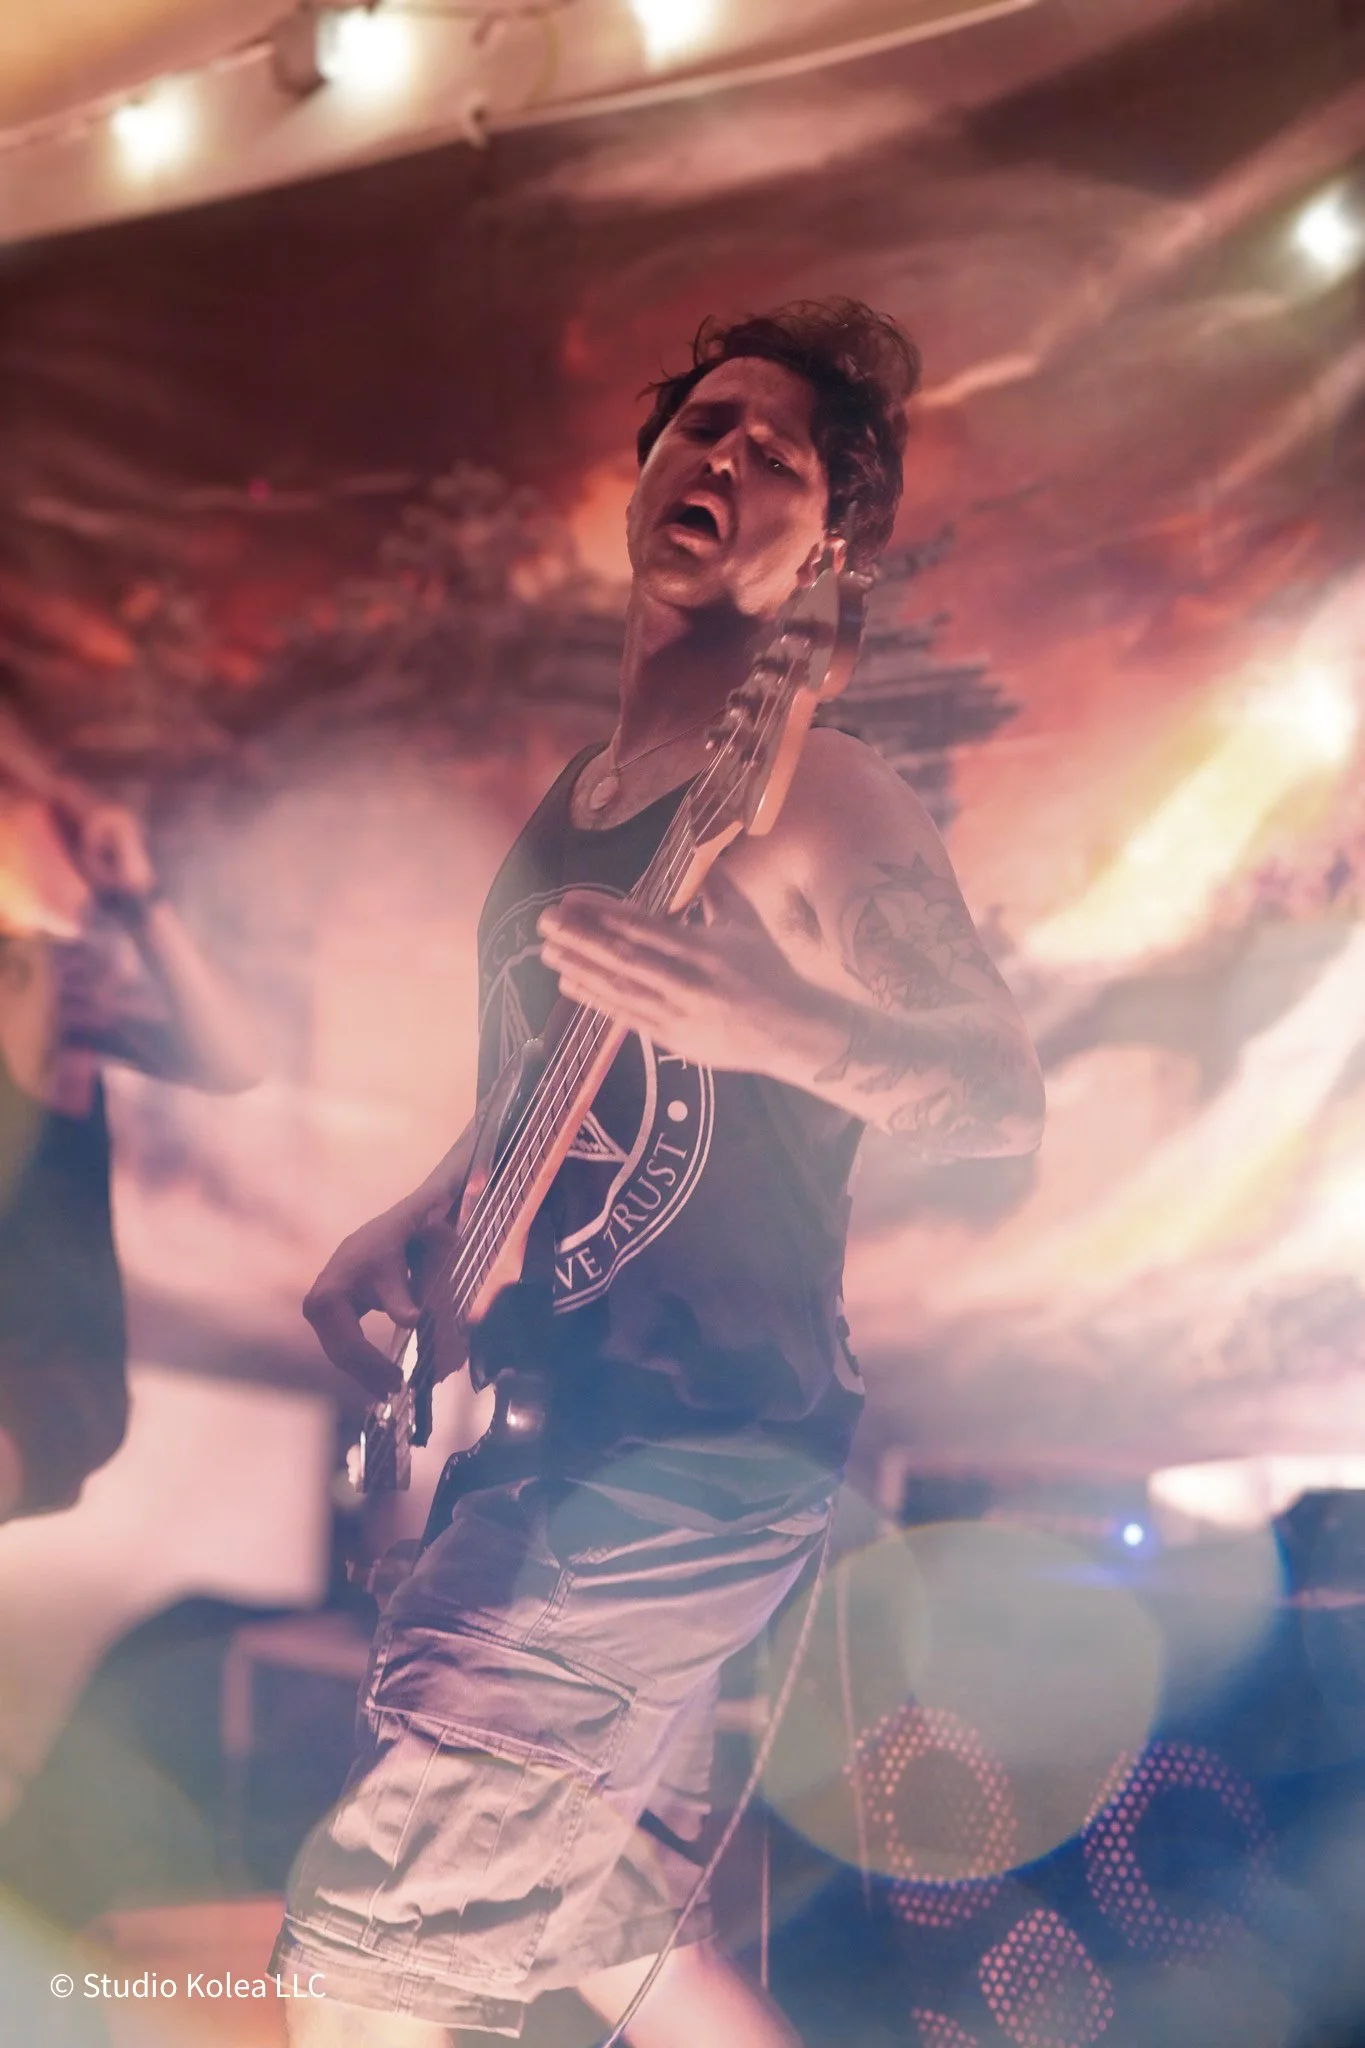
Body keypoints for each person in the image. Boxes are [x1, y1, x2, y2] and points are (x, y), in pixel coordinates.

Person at [278, 300, 1045, 2046]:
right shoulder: (582, 791)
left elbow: (1000, 1098)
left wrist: (778, 1017)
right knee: (611, 1941)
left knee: (374, 1957)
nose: (730, 456)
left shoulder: (820, 794)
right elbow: (569, 1084)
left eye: (784, 456)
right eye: (708, 423)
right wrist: (423, 1210)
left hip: (689, 1457)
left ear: (827, 545)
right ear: (644, 474)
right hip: (559, 1426)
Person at [0, 706, 264, 1521]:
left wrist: (139, 897)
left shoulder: (37, 977)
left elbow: (231, 1061)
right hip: (54, 1384)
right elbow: (233, 1062)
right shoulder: (32, 983)